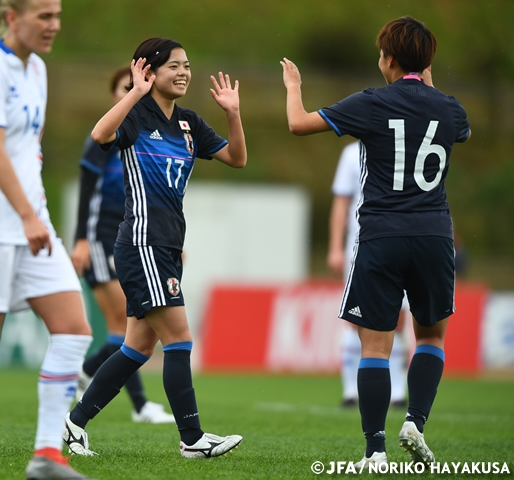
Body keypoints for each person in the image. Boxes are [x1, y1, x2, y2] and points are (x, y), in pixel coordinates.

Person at [282, 16, 470, 467]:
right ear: (427, 63)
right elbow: (453, 127)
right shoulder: (452, 109)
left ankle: (375, 450)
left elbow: (298, 124)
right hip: (433, 237)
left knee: (374, 348)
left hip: (381, 236)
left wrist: (293, 86)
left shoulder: (372, 102)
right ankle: (416, 422)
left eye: (381, 53)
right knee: (429, 337)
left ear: (388, 59)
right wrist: (426, 79)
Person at [62, 37, 247, 459]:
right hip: (141, 243)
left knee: (137, 349)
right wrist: (134, 93)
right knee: (179, 339)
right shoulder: (136, 115)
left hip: (166, 246)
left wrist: (233, 115)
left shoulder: (190, 124)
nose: (183, 72)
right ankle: (193, 439)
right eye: (174, 66)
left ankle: (74, 423)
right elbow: (100, 133)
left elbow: (237, 158)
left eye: (187, 65)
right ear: (149, 71)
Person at [0, 1, 94, 479]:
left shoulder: (38, 70)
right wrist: (28, 215)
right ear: (12, 17)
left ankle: (47, 456)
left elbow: (29, 148)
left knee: (73, 329)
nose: (54, 26)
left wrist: (36, 213)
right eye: (44, 16)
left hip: (31, 223)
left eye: (57, 15)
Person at [70, 66, 174, 424]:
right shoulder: (103, 137)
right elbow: (86, 190)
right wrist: (81, 239)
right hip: (99, 238)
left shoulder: (144, 136)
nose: (134, 92)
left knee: (129, 327)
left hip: (133, 238)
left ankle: (92, 379)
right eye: (126, 88)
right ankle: (130, 399)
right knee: (122, 325)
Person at [328, 141, 408, 409]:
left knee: (399, 320)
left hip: (401, 243)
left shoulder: (404, 146)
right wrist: (335, 247)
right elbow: (342, 201)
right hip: (359, 246)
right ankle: (351, 390)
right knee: (356, 317)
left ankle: (398, 391)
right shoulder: (352, 153)